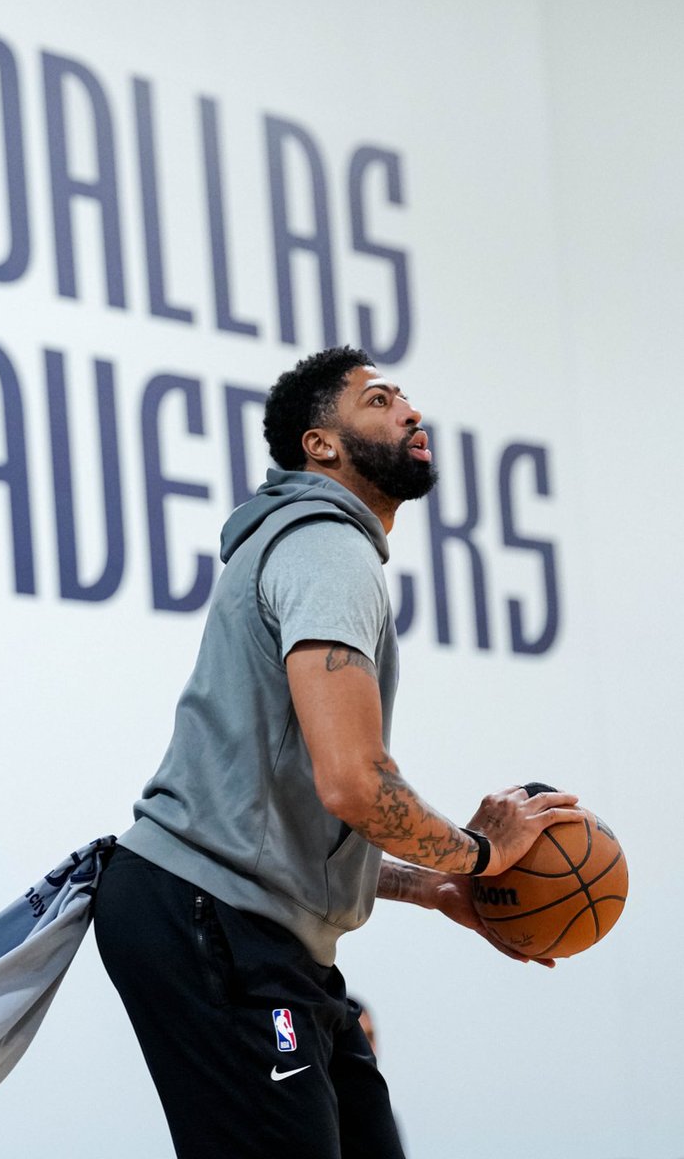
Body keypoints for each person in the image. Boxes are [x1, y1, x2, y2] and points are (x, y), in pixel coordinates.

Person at [93, 345, 582, 1159]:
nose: (411, 412)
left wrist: (433, 885)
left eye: (409, 400)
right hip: (207, 915)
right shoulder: (326, 544)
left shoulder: (315, 547)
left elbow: (288, 820)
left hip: (252, 926)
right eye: (380, 399)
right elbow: (355, 785)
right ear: (321, 444)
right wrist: (482, 855)